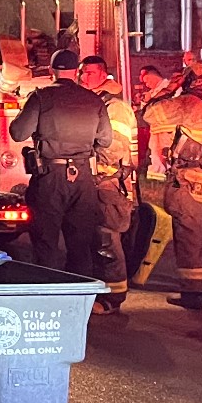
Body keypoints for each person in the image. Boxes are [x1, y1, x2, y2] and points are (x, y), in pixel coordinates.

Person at [10, 50, 113, 276]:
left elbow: (18, 133)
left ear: (51, 71)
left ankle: (48, 293)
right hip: (83, 178)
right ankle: (80, 295)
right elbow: (106, 140)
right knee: (80, 243)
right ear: (76, 72)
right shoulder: (94, 100)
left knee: (45, 240)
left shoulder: (41, 97)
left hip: (50, 176)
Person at [77, 55, 134, 313]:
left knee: (106, 240)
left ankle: (113, 299)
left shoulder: (115, 107)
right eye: (82, 73)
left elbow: (115, 148)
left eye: (89, 73)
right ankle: (100, 293)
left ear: (103, 75)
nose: (84, 77)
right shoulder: (95, 102)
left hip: (108, 184)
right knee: (94, 240)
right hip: (94, 182)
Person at [162, 125, 202, 310]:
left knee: (189, 236)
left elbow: (152, 114)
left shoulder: (188, 102)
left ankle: (192, 292)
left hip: (191, 181)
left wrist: (168, 94)